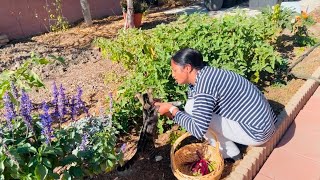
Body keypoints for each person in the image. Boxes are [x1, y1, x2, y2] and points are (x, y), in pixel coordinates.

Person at [155, 48, 277, 160]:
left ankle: (229, 154)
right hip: (265, 125)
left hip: (258, 132)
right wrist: (171, 110)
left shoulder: (205, 86)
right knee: (190, 108)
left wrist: (172, 110)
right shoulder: (205, 74)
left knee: (192, 111)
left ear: (187, 68)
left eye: (174, 70)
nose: (172, 74)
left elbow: (198, 130)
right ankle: (230, 147)